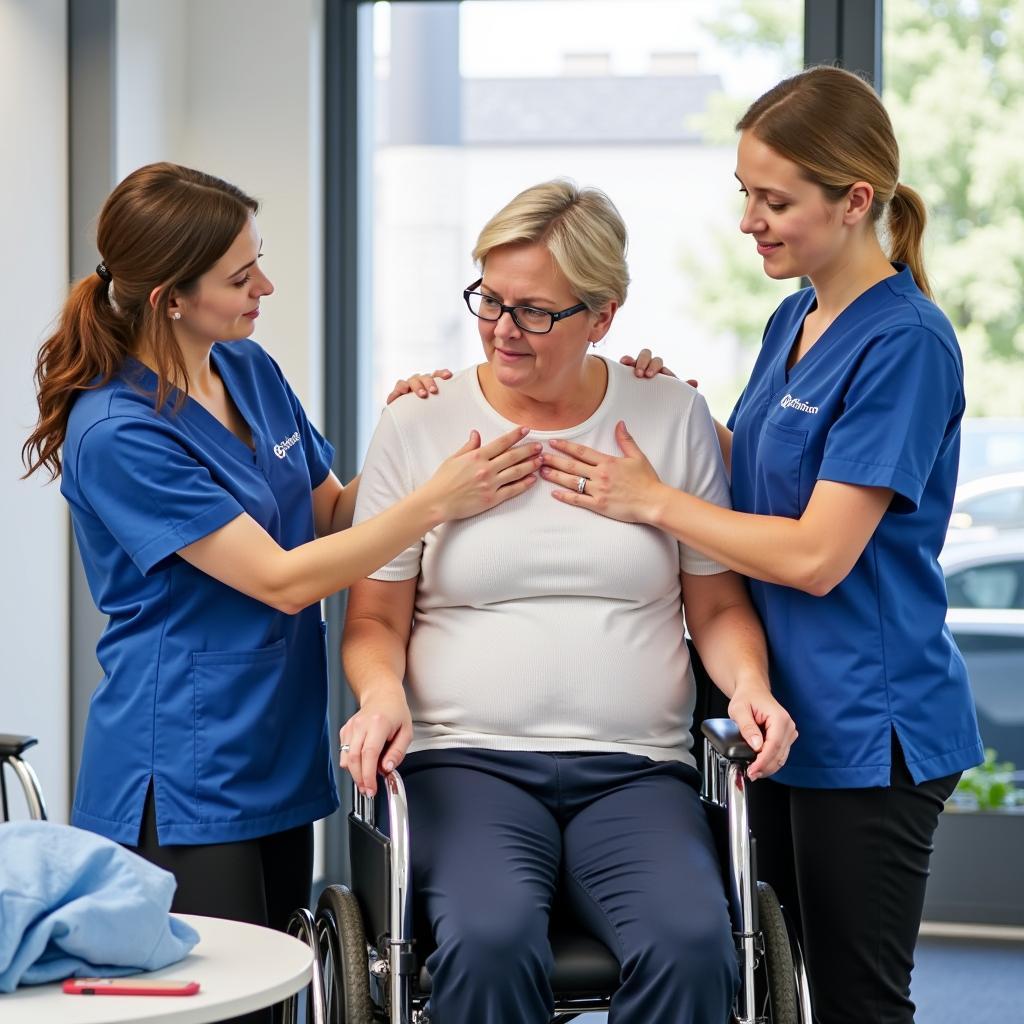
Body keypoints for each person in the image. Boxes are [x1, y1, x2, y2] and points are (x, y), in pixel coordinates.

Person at [540, 67, 984, 1024]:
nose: (750, 220)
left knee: (855, 1001)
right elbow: (767, 481)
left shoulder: (906, 342)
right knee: (768, 990)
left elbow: (818, 551)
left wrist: (652, 499)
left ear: (856, 199)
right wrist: (682, 420)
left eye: (775, 199)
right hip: (777, 712)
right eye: (745, 193)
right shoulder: (798, 316)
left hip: (869, 723)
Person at [21, 163, 538, 960]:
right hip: (185, 767)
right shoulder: (118, 431)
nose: (265, 284)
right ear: (171, 298)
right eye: (240, 275)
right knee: (219, 999)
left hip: (274, 742)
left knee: (282, 984)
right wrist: (436, 502)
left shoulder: (246, 367)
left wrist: (414, 431)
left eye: (258, 258)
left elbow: (329, 513)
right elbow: (282, 577)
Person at [340, 179, 797, 1024]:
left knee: (697, 948)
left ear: (604, 315)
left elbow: (719, 608)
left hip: (635, 772)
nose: (503, 330)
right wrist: (380, 694)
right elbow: (373, 620)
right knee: (486, 940)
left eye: (536, 312)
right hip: (464, 762)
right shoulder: (423, 421)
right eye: (490, 300)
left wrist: (749, 687)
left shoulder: (668, 413)